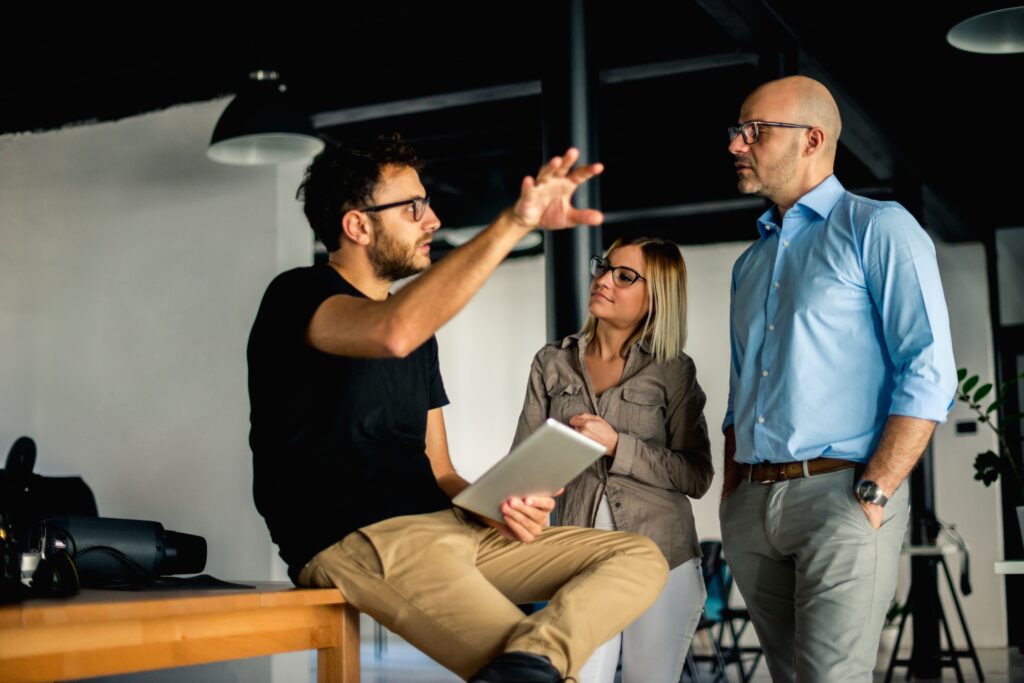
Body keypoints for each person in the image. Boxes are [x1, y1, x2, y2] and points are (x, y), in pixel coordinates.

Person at [247, 135, 668, 683]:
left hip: (456, 529)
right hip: (364, 539)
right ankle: (533, 666)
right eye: (413, 208)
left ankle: (534, 660)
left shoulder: (420, 337)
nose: (433, 220)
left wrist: (494, 508)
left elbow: (440, 470)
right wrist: (516, 222)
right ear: (357, 226)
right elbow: (392, 332)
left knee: (639, 557)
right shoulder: (297, 296)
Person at [720, 75, 957, 682]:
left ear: (812, 139)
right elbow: (740, 390)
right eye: (737, 131)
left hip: (842, 497)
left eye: (754, 131)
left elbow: (928, 368)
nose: (737, 145)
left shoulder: (877, 227)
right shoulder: (750, 263)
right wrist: (732, 496)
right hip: (752, 505)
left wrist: (876, 492)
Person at [512, 236, 713, 683]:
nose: (603, 280)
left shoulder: (674, 370)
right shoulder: (551, 362)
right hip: (579, 560)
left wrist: (619, 445)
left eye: (624, 276)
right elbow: (524, 468)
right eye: (604, 268)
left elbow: (697, 475)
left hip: (662, 558)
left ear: (655, 297)